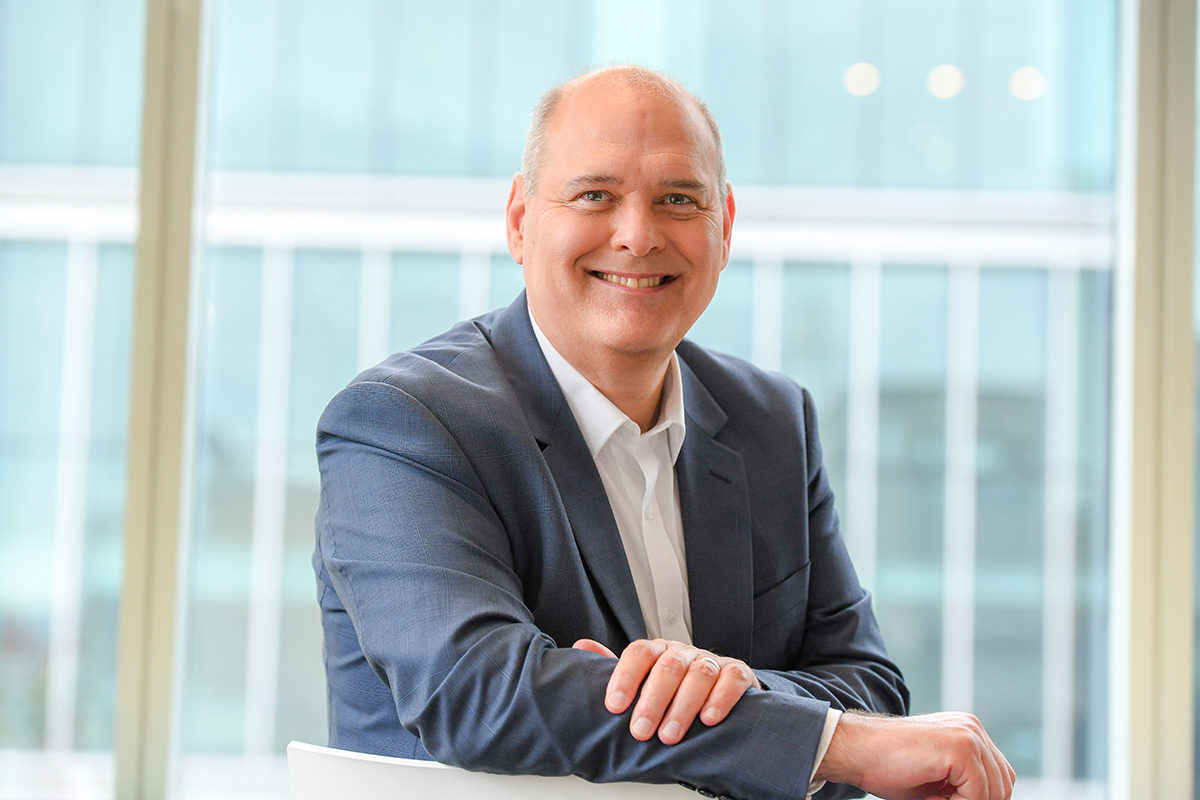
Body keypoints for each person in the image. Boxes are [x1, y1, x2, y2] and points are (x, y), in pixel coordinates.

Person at [313, 65, 1015, 800]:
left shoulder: (772, 421)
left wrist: (732, 689)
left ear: (725, 226)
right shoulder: (402, 420)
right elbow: (477, 695)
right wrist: (813, 735)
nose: (638, 236)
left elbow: (869, 689)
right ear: (520, 220)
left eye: (679, 199)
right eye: (595, 195)